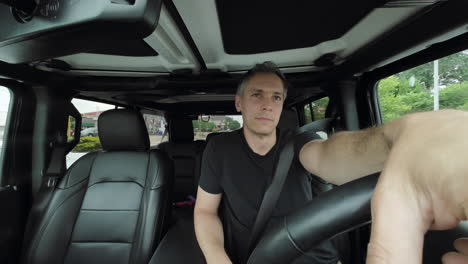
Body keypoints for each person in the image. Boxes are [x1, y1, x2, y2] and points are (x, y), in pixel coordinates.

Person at [194, 61, 468, 264]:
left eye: (276, 97)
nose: (267, 104)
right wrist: (217, 258)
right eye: (257, 94)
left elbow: (330, 156)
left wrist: (396, 141)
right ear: (239, 103)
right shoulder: (219, 148)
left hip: (316, 259)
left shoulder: (301, 143)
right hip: (256, 258)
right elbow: (205, 211)